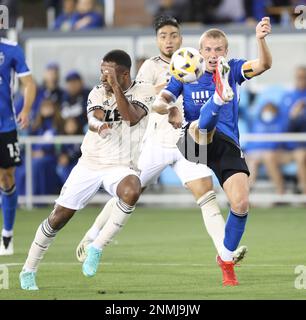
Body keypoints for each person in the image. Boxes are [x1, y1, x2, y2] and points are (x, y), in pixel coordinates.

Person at [75, 16, 247, 272]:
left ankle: (225, 252)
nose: (169, 40)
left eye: (173, 35)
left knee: (207, 196)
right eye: (163, 36)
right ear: (157, 40)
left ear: (181, 38)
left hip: (188, 142)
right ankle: (91, 236)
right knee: (130, 192)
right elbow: (139, 98)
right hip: (157, 141)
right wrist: (165, 91)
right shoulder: (149, 67)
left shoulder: (194, 61)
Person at [19, 50, 155, 290]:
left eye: (108, 72)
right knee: (59, 217)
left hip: (121, 165)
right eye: (101, 70)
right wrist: (98, 125)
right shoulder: (97, 91)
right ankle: (28, 270)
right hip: (90, 163)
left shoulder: (143, 91)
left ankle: (96, 246)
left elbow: (131, 117)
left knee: (132, 190)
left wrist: (116, 88)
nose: (103, 76)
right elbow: (93, 118)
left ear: (124, 74)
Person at [155, 18, 272, 285]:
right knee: (201, 128)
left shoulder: (233, 68)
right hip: (193, 141)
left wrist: (261, 40)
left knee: (241, 204)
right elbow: (160, 104)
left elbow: (264, 65)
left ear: (226, 52)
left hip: (226, 144)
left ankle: (226, 260)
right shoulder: (185, 71)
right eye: (207, 49)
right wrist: (169, 107)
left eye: (218, 50)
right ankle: (219, 99)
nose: (213, 55)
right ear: (199, 51)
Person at [0, 37, 36, 255]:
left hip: (5, 126)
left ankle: (7, 233)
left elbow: (29, 83)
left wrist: (26, 109)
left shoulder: (11, 49)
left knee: (6, 177)